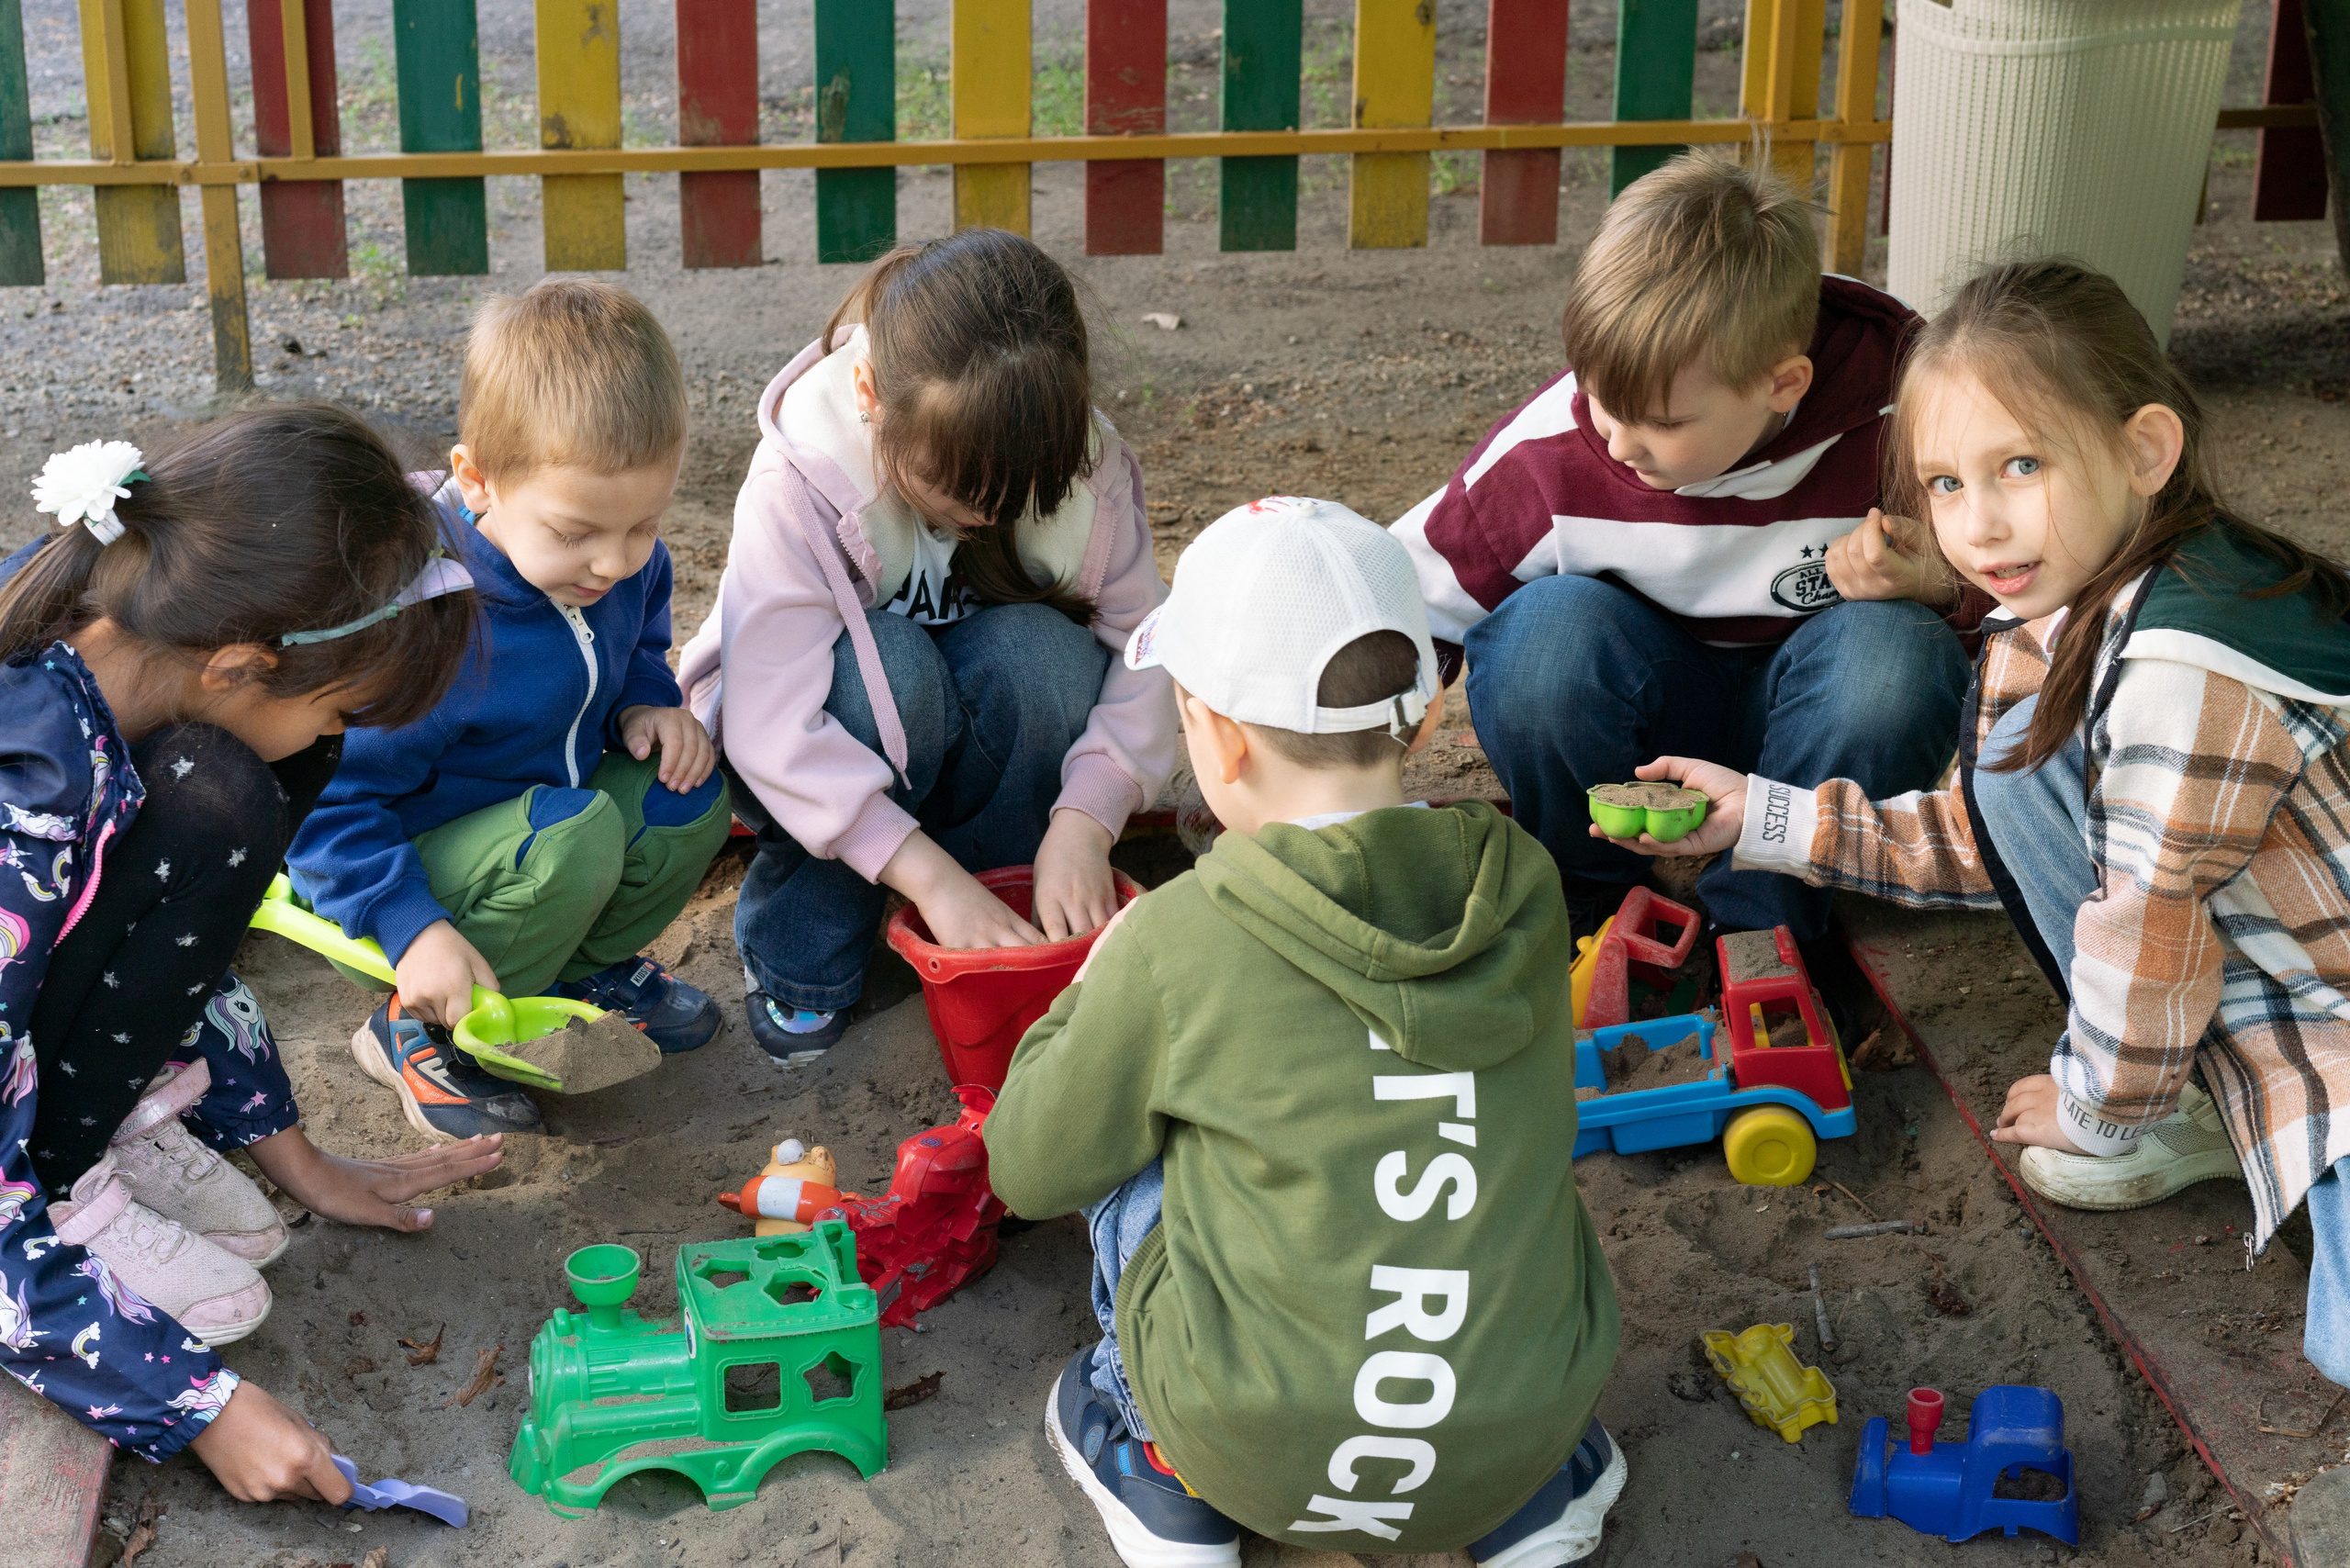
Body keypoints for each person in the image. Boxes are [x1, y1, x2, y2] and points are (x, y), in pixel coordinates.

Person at [1606, 259, 2350, 1384]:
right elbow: (1993, 831)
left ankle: (2165, 1099)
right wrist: (1755, 816)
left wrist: (2099, 1110)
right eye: (1945, 484)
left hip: (2325, 1025)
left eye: (2021, 465)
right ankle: (2181, 1095)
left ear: (2146, 450)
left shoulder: (2173, 674)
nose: (1980, 523)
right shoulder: (2063, 608)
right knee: (2011, 771)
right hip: (2270, 986)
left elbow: (2143, 926)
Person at [986, 498, 1625, 1568]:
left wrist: (1091, 996)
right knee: (1495, 1163)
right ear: (1424, 721)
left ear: (1220, 738)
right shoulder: (1522, 887)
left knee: (1133, 1145)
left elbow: (1025, 1165)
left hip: (1255, 1444)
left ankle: (1161, 1469)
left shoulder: (1180, 937)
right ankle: (1526, 1496)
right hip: (1513, 1434)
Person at [0, 408, 499, 1504]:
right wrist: (196, 1405)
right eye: (341, 705)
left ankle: (91, 1128)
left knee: (237, 791)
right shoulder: (26, 816)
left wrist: (293, 1152)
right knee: (240, 790)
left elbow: (184, 938)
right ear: (233, 663)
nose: (342, 738)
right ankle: (55, 1183)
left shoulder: (118, 636)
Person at [1391, 149, 1981, 954]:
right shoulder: (1553, 451)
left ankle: (1765, 934)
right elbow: (1405, 601)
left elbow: (2042, 584)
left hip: (1818, 735)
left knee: (1896, 655)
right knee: (1544, 638)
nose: (1619, 442)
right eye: (1601, 398)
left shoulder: (1906, 425)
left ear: (1785, 383)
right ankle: (1592, 910)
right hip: (1646, 732)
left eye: (1663, 422)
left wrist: (1942, 584)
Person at [677, 229, 1177, 1065]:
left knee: (1043, 657)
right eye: (956, 492)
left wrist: (1086, 824)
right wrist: (925, 874)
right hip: (832, 751)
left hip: (979, 744)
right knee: (893, 675)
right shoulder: (804, 475)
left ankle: (998, 917)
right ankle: (806, 962)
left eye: (1015, 498)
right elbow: (771, 726)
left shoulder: (1088, 468)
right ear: (869, 394)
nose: (984, 517)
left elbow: (1146, 652)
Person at [290, 280, 732, 1138]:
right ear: (477, 480)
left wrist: (648, 703)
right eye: (575, 534)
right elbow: (327, 809)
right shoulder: (429, 625)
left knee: (690, 792)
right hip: (404, 878)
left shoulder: (626, 561)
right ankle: (418, 1027)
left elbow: (635, 646)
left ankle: (574, 973)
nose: (613, 562)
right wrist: (408, 930)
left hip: (543, 835)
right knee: (575, 835)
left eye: (643, 525)